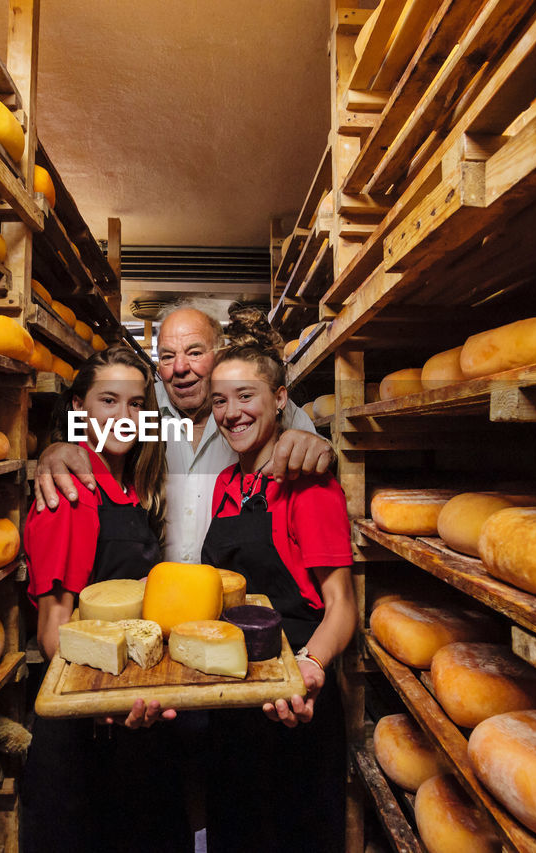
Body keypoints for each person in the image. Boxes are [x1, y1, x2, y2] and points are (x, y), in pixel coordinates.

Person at [19, 345, 190, 853]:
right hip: (90, 732)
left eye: (137, 404)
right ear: (78, 409)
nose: (124, 417)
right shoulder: (70, 495)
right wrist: (106, 706)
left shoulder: (126, 489)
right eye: (108, 401)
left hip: (131, 718)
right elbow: (55, 631)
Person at [200, 309, 357, 852]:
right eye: (220, 401)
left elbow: (341, 605)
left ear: (280, 397)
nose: (231, 413)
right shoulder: (225, 484)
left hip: (295, 699)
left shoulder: (310, 487)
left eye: (246, 396)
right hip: (231, 695)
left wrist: (309, 667)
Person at [33, 302, 334, 566]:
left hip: (236, 590)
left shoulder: (252, 407)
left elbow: (322, 456)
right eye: (167, 356)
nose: (179, 367)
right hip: (154, 591)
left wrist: (320, 447)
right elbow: (91, 434)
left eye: (194, 352)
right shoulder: (140, 410)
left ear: (220, 354)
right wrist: (57, 449)